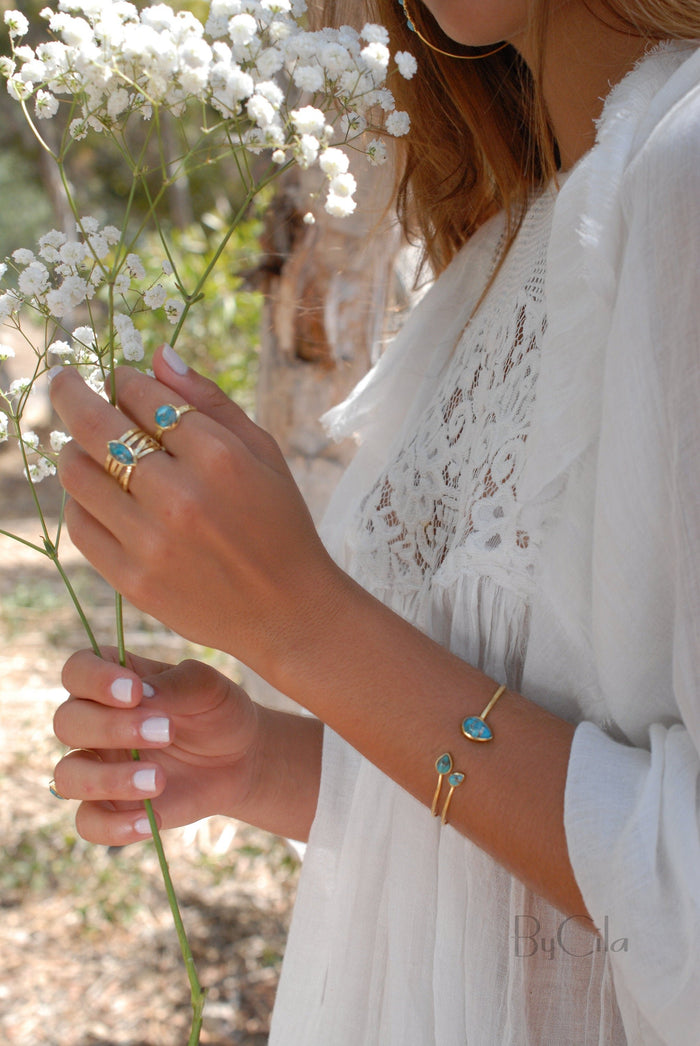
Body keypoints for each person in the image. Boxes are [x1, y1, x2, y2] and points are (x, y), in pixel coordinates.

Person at [47, 0, 700, 1042]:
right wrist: (262, 761)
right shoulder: (503, 250)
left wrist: (305, 628)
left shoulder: (685, 172)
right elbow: (537, 824)